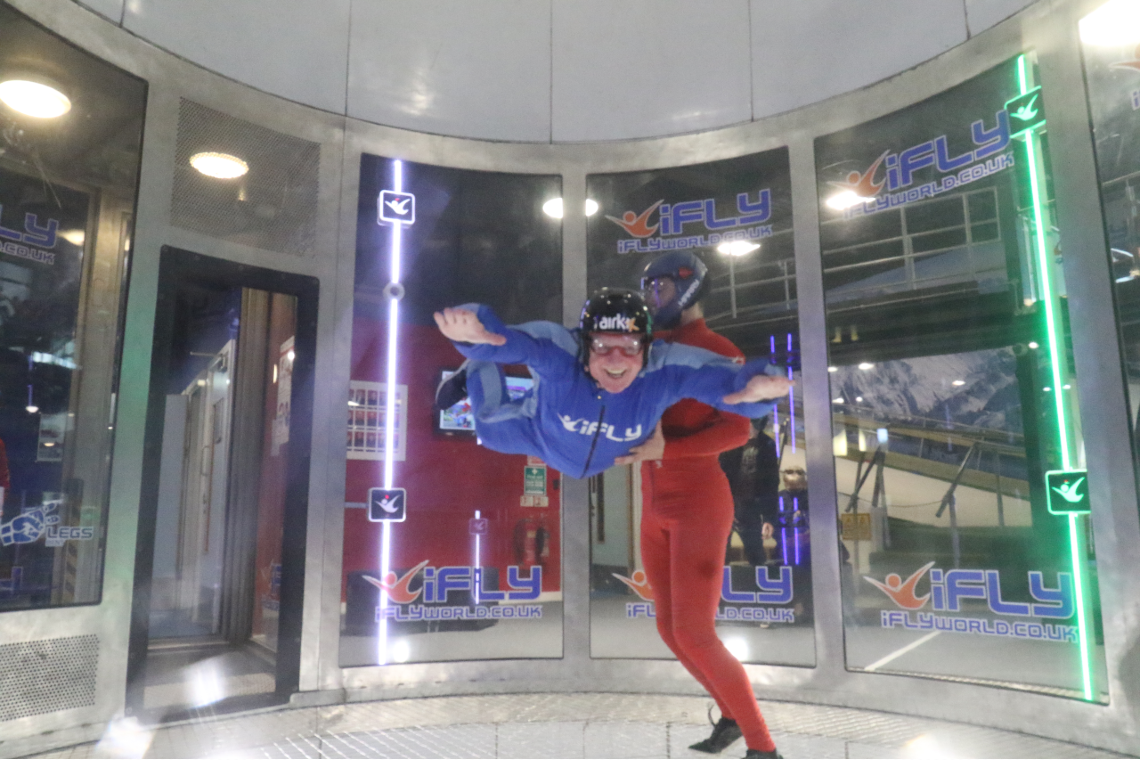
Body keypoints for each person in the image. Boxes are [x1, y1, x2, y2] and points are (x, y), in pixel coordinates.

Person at [617, 251, 783, 760]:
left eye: (661, 287)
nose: (652, 298)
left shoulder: (718, 350)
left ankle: (763, 748)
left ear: (688, 286)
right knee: (670, 630)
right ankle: (731, 717)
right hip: (653, 503)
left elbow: (738, 430)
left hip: (697, 502)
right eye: (648, 289)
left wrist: (666, 448)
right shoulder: (649, 348)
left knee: (693, 631)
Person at [433, 288, 793, 480]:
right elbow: (512, 341)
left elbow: (724, 382)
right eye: (603, 346)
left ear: (648, 347)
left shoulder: (664, 367)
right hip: (537, 434)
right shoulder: (562, 352)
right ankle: (477, 369)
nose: (617, 361)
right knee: (489, 429)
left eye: (630, 347)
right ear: (584, 343)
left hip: (594, 458)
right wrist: (475, 337)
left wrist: (755, 390)